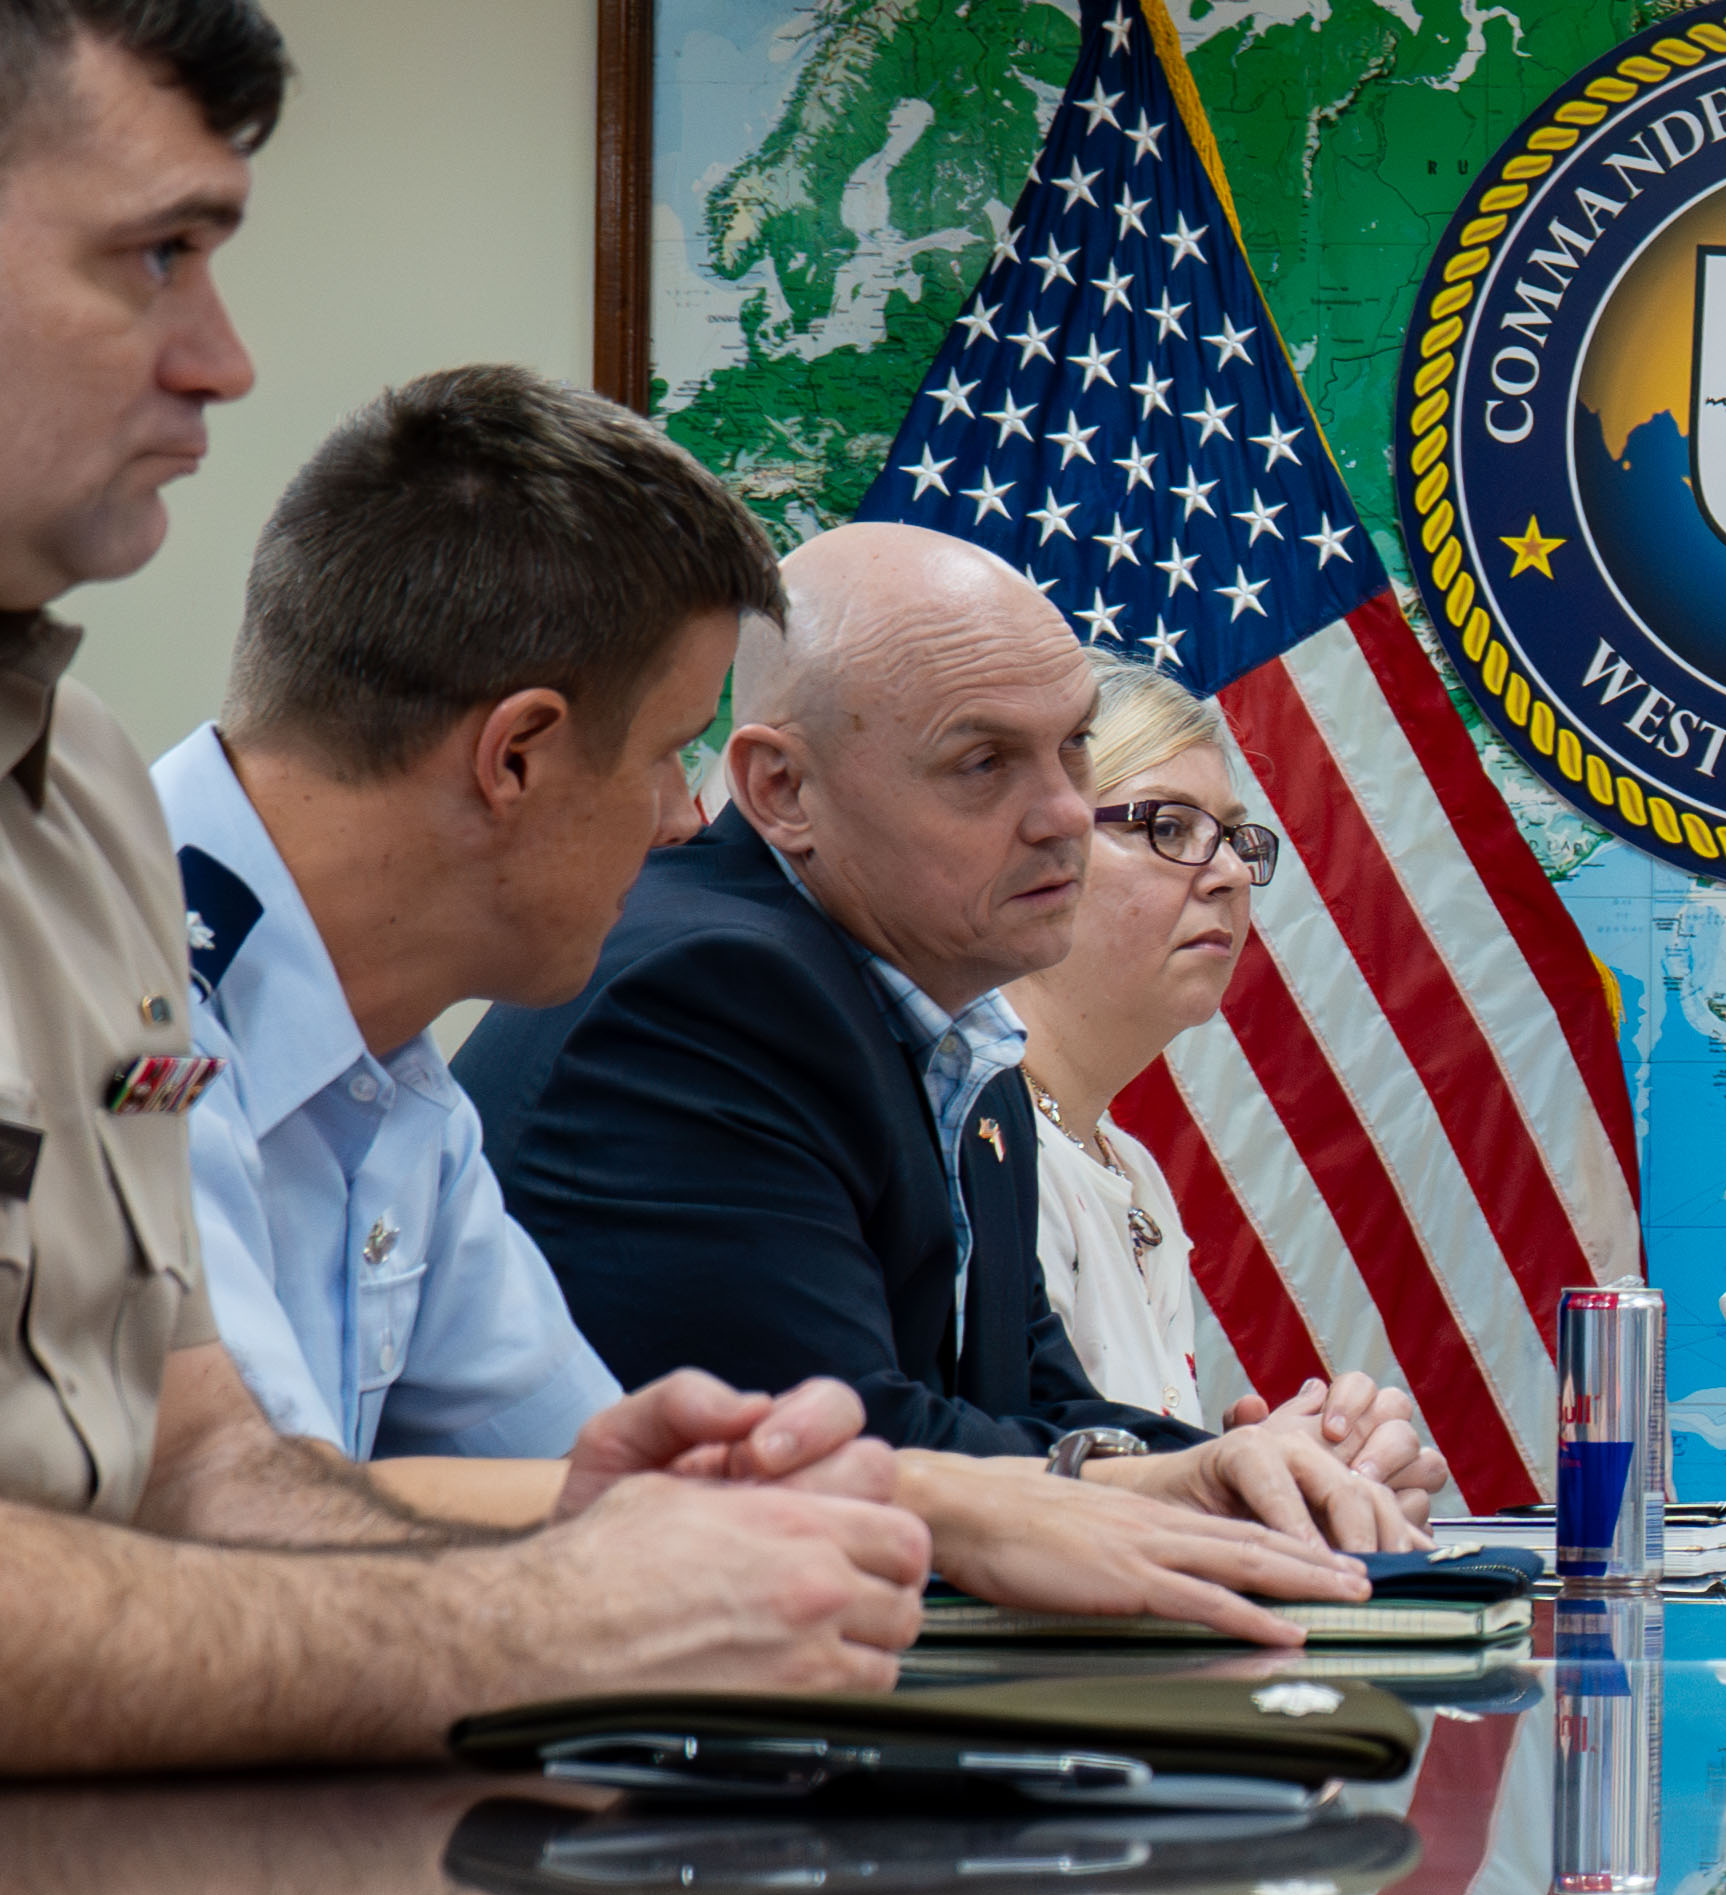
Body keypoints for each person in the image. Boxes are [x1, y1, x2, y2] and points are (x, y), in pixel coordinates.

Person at [0, 0, 943, 1772]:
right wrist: (539, 1614)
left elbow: (204, 1483)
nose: (226, 358)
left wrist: (607, 1521)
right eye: (152, 256)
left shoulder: (72, 801)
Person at [162, 371, 1363, 1637]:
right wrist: (926, 1497)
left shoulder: (388, 1075)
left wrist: (1110, 1482)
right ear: (514, 755)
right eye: (673, 752)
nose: (689, 819)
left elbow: (591, 1475)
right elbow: (229, 1530)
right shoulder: (103, 989)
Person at [485, 522, 1435, 1544]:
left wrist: (1268, 1467)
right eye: (983, 762)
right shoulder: (709, 995)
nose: (1067, 812)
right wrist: (1190, 1488)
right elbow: (835, 1458)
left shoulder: (954, 1031)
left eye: (1072, 746)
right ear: (782, 790)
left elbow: (1037, 1414)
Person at [1008, 655, 1263, 1420]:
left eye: (1234, 836)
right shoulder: (981, 1145)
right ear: (1036, 854)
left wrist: (1272, 1476)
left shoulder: (1131, 1170)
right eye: (1169, 826)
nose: (1231, 874)